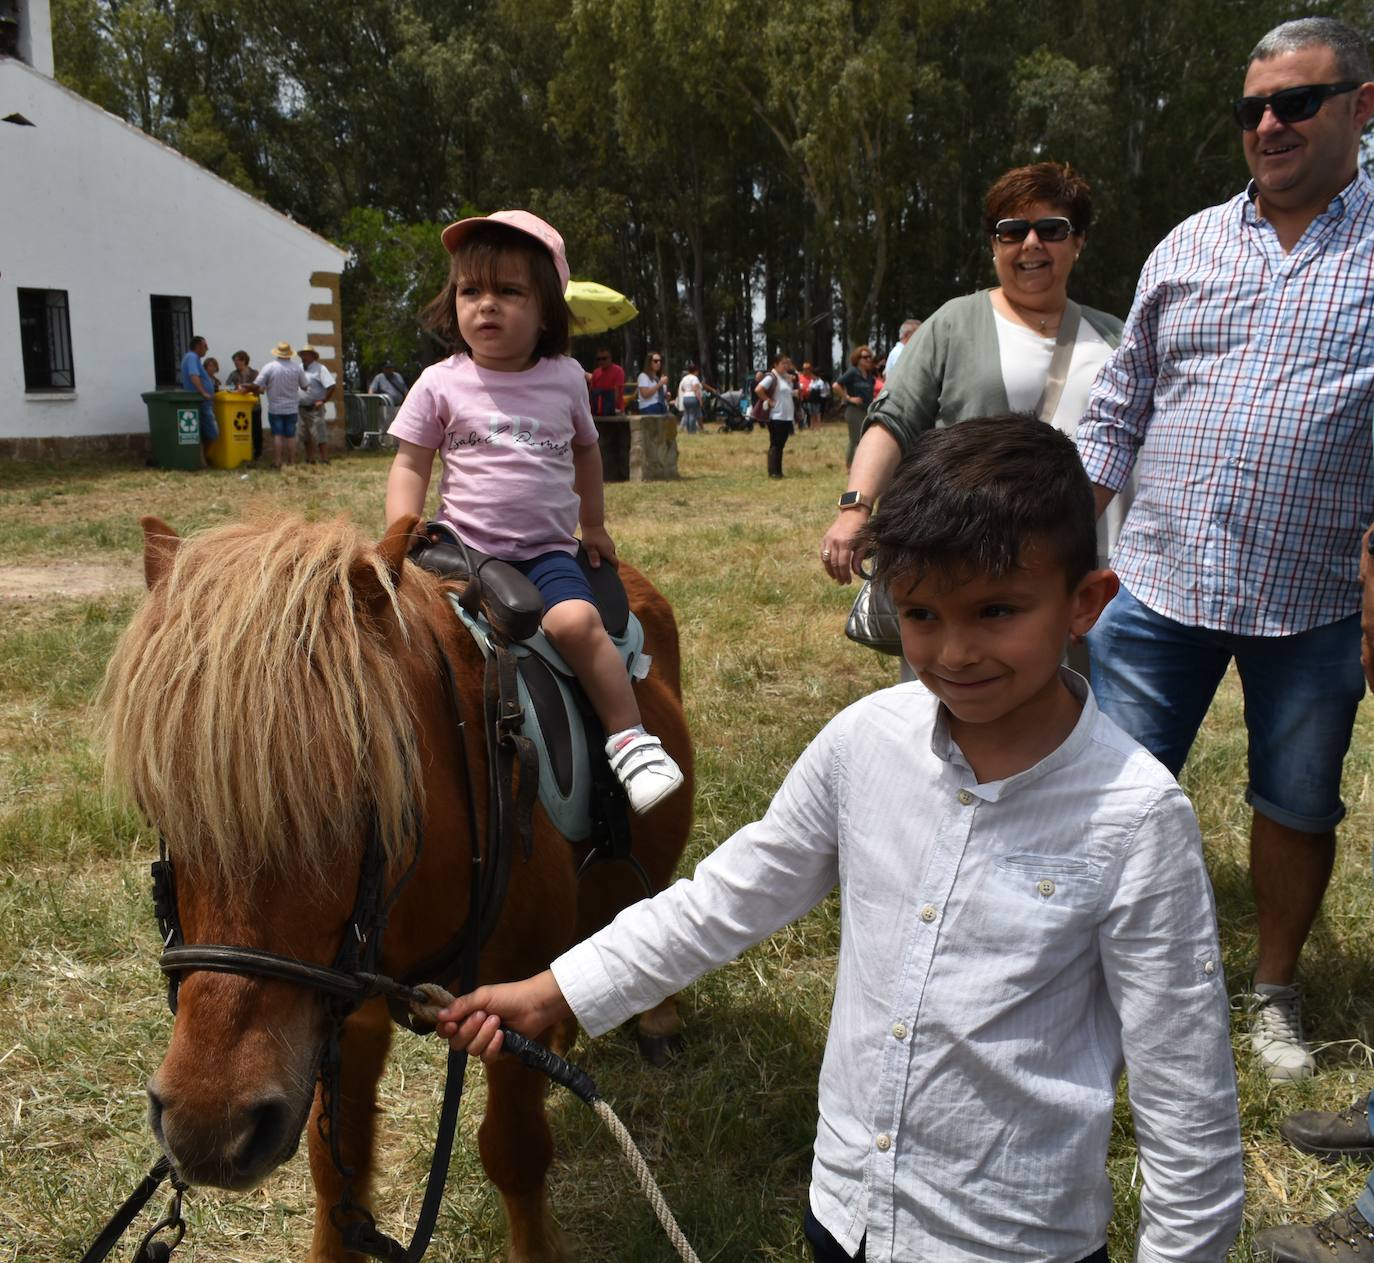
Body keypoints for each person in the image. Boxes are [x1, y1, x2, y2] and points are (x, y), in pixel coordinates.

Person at [435, 415, 1244, 1263]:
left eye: (997, 610)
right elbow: (727, 898)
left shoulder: (1137, 816)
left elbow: (1187, 1112)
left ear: (1086, 602)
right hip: (845, 1215)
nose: (955, 650)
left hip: (1010, 1240)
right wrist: (558, 989)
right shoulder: (865, 743)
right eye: (922, 613)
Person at [1075, 15, 1374, 1088]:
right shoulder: (1188, 244)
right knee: (1110, 791)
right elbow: (1117, 410)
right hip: (1160, 582)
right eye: (1252, 108)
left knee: (1297, 801)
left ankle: (1275, 990)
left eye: (1297, 102)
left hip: (1318, 598)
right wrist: (1064, 548)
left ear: (1362, 106)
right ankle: (1098, 984)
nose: (1269, 125)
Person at [385, 209, 683, 814]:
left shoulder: (565, 378)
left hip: (547, 552)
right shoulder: (439, 383)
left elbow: (587, 452)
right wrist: (401, 527)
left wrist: (593, 525)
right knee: (426, 644)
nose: (486, 306)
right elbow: (411, 462)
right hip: (461, 551)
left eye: (509, 291)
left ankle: (630, 740)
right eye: (471, 291)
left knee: (577, 625)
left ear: (546, 308)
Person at [821, 162, 1124, 593]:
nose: (1031, 243)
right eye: (1013, 230)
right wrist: (855, 508)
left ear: (1079, 242)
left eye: (1052, 229)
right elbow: (893, 420)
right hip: (973, 567)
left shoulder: (1115, 334)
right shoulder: (953, 324)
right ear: (993, 245)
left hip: (1092, 575)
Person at [254, 341, 307, 468]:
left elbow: (258, 384)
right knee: (290, 435)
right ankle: (292, 461)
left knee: (277, 435)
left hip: (275, 408)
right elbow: (305, 386)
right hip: (292, 407)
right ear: (289, 354)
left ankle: (277, 461)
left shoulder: (269, 367)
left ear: (277, 353)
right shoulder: (297, 368)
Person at [832, 346, 874, 469]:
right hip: (854, 410)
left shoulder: (869, 374)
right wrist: (848, 398)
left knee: (865, 439)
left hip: (866, 410)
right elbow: (836, 385)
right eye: (865, 357)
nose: (868, 359)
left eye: (869, 357)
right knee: (855, 439)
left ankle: (861, 465)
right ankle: (849, 467)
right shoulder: (853, 372)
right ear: (857, 359)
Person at [755, 351, 795, 479]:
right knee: (776, 444)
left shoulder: (785, 378)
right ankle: (773, 472)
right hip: (776, 416)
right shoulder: (771, 377)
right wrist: (769, 400)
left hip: (785, 416)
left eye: (787, 364)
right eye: (783, 364)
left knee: (781, 445)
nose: (786, 366)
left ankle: (778, 471)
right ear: (776, 364)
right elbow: (759, 389)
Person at [178, 334, 217, 458]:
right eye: (205, 346)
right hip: (200, 401)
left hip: (202, 401)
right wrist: (203, 392)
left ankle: (201, 460)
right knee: (213, 433)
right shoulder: (192, 357)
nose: (207, 348)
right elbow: (193, 375)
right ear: (199, 346)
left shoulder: (192, 358)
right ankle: (202, 459)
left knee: (202, 433)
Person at [298, 346, 337, 464]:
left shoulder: (320, 369)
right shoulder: (299, 368)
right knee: (305, 435)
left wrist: (323, 400)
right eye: (302, 355)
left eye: (305, 354)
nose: (303, 357)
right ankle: (310, 458)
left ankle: (325, 459)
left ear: (312, 356)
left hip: (315, 408)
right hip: (301, 407)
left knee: (320, 434)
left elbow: (331, 386)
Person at [226, 350, 262, 461]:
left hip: (254, 406)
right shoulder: (233, 374)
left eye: (237, 361)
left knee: (256, 431)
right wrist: (236, 388)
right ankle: (242, 452)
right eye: (234, 362)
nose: (235, 364)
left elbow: (261, 388)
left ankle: (258, 453)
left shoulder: (255, 373)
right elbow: (228, 388)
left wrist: (247, 388)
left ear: (244, 360)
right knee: (242, 431)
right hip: (239, 409)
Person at [586, 347, 625, 417]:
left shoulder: (618, 371)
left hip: (615, 411)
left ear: (610, 358)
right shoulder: (596, 372)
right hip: (597, 412)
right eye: (599, 359)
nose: (601, 361)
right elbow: (592, 393)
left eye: (604, 358)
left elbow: (617, 392)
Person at [676, 361, 703, 434]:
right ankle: (692, 431)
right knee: (692, 415)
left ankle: (688, 430)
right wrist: (700, 400)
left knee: (687, 415)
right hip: (693, 397)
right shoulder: (695, 378)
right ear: (696, 371)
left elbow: (682, 388)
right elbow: (696, 390)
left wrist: (687, 390)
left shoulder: (684, 378)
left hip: (685, 397)